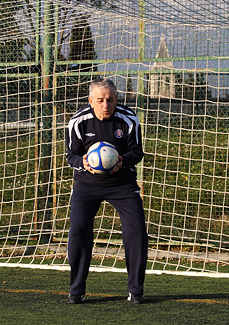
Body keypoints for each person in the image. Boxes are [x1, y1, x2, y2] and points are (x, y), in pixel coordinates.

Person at [65, 77, 148, 304]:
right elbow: (70, 155)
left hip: (121, 183)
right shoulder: (78, 121)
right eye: (100, 100)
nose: (106, 105)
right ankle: (76, 290)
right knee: (79, 229)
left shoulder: (128, 119)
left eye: (110, 100)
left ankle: (136, 290)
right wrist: (83, 162)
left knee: (137, 228)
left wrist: (122, 161)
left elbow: (137, 152)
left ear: (116, 99)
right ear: (90, 101)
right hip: (87, 184)